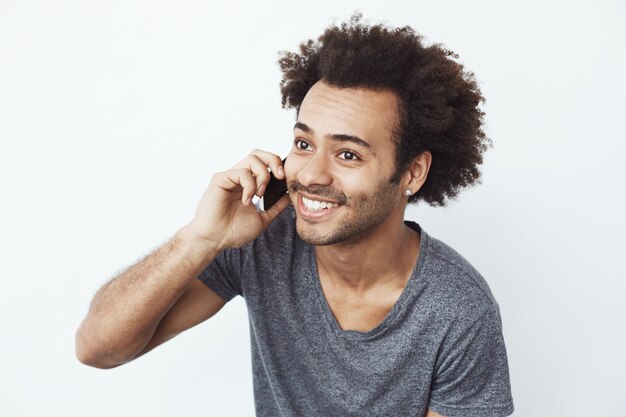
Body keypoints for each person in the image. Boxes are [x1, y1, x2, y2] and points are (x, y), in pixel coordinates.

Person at [76, 13, 514, 417]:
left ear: (412, 172)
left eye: (347, 153)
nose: (311, 174)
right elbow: (98, 349)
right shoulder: (261, 243)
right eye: (304, 144)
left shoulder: (457, 310)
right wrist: (199, 239)